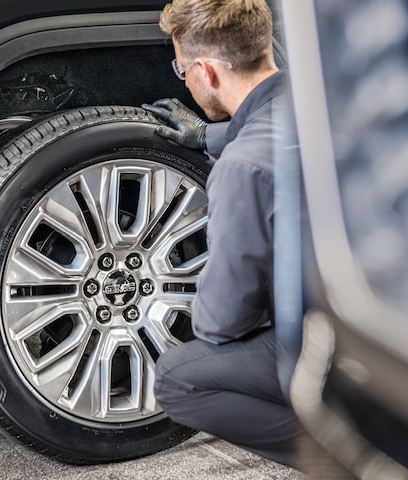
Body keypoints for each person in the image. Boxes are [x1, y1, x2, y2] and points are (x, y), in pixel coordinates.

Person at [141, 0, 300, 467]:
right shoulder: (334, 104)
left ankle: (362, 452)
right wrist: (211, 137)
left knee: (178, 378)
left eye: (182, 69)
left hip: (339, 349)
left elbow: (222, 323)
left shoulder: (243, 169)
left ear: (206, 72)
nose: (184, 79)